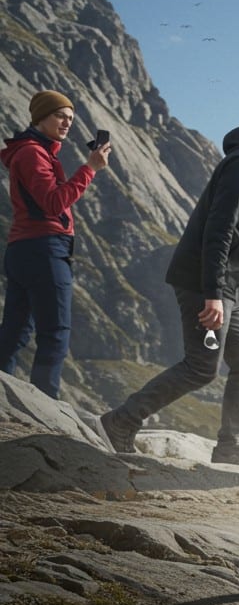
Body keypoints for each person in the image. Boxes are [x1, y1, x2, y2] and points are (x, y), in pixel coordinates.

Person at [100, 94, 239, 469]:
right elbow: (219, 229)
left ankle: (231, 449)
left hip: (226, 283)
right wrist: (213, 293)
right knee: (201, 367)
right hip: (204, 281)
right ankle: (121, 421)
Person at [1, 91, 110, 399]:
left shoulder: (35, 152)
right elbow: (52, 203)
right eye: (60, 116)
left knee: (14, 333)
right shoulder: (33, 153)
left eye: (70, 118)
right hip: (44, 249)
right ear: (40, 117)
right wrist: (90, 169)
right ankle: (46, 408)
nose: (67, 123)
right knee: (55, 333)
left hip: (25, 249)